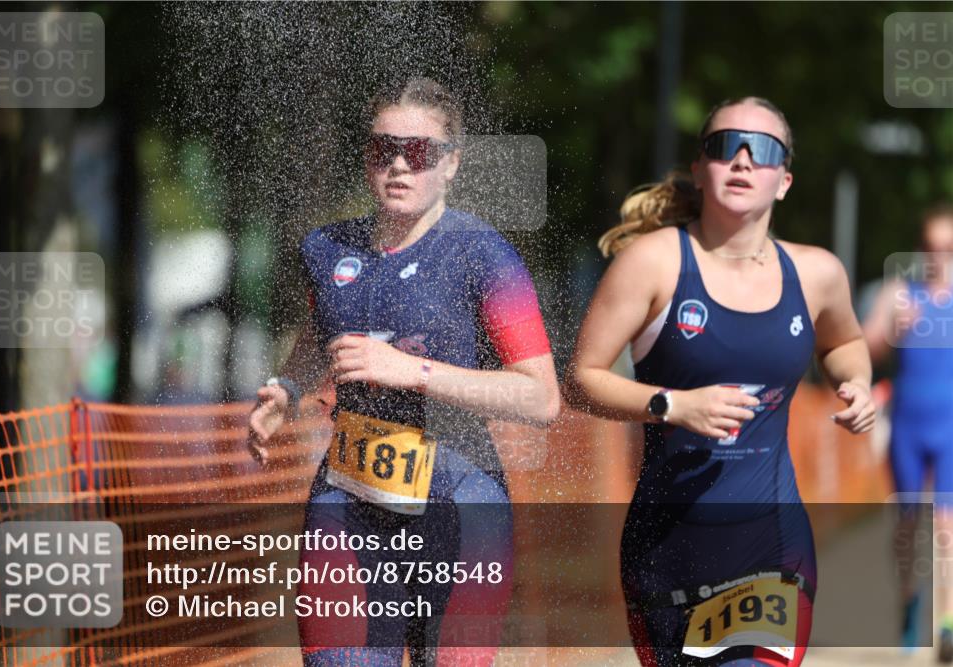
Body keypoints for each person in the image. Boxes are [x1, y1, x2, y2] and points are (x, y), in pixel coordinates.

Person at [246, 77, 560, 666]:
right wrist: (287, 390)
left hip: (460, 512)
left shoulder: (482, 253)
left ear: (450, 164)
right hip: (346, 504)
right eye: (380, 149)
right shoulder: (326, 248)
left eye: (417, 152)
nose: (397, 165)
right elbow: (322, 337)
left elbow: (540, 398)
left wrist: (411, 370)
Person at [566, 97, 874, 666]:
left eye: (762, 151)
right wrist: (672, 405)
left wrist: (853, 381)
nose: (741, 161)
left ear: (784, 180)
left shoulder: (816, 273)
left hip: (772, 545)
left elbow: (845, 342)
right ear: (700, 166)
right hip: (666, 547)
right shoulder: (653, 263)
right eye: (723, 146)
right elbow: (580, 379)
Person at [863, 204, 953, 661]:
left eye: (950, 249)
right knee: (908, 525)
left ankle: (947, 622)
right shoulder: (900, 294)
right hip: (909, 426)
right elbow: (860, 347)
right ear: (921, 250)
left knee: (946, 526)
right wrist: (889, 333)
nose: (941, 258)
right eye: (933, 248)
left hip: (950, 426)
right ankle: (909, 603)